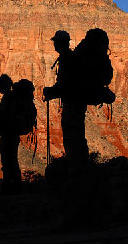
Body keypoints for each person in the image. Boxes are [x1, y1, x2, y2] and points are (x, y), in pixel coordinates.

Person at [43, 30, 89, 172]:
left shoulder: (67, 59)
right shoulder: (70, 57)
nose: (54, 45)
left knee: (72, 137)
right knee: (78, 136)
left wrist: (52, 92)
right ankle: (83, 168)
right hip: (77, 103)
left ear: (59, 43)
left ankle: (78, 171)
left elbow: (67, 85)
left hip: (73, 104)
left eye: (56, 42)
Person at [0, 74, 21, 194]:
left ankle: (10, 187)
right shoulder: (13, 97)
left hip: (9, 134)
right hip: (13, 134)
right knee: (12, 160)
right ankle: (14, 186)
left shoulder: (8, 98)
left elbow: (5, 117)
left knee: (8, 161)